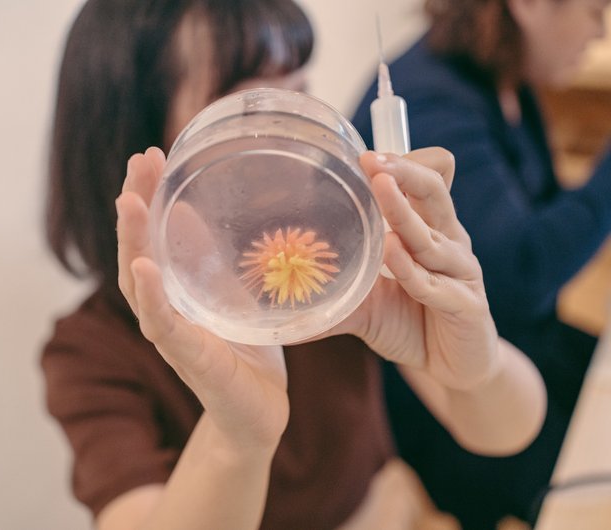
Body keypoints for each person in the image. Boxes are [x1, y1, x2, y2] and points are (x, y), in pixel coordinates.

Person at [41, 1, 547, 529]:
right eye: (252, 107)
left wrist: (470, 357)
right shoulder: (92, 352)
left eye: (299, 91)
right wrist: (237, 437)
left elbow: (507, 430)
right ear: (133, 135)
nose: (300, 130)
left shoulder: (328, 267)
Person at [351, 0, 611, 528]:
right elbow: (519, 280)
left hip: (511, 348)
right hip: (440, 403)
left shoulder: (499, 79)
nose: (600, 33)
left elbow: (533, 228)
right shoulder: (431, 102)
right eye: (594, 11)